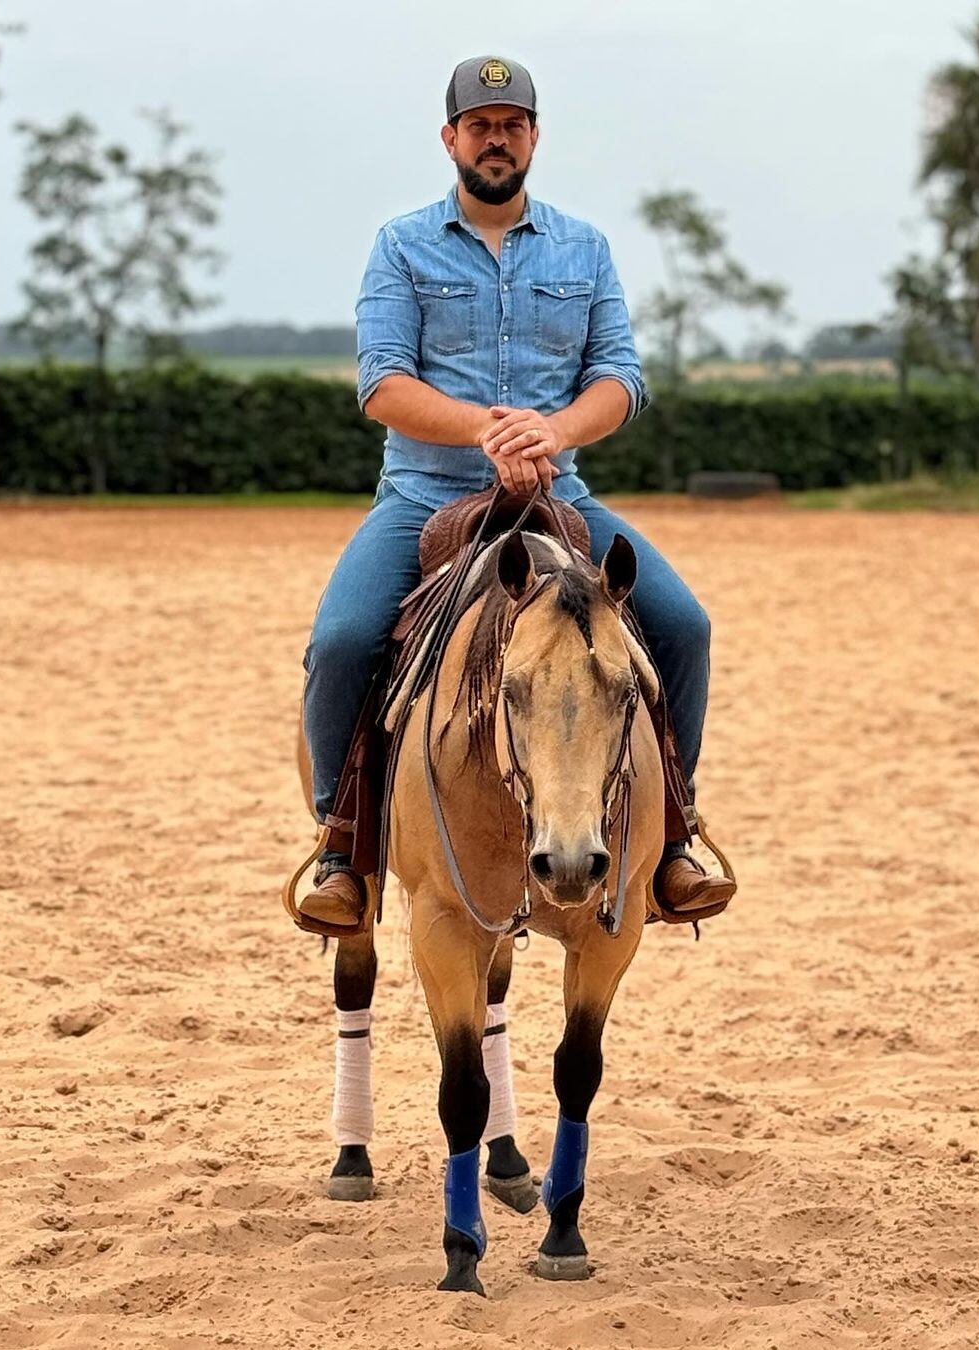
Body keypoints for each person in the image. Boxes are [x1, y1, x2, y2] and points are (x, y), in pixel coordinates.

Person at [298, 54, 734, 928]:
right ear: (450, 138)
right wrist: (485, 430)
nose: (495, 140)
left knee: (684, 626)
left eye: (511, 125)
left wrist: (556, 432)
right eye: (480, 126)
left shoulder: (585, 247)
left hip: (557, 491)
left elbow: (622, 377)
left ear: (533, 137)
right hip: (424, 497)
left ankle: (674, 838)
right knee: (342, 642)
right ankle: (343, 848)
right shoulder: (401, 245)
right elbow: (382, 383)